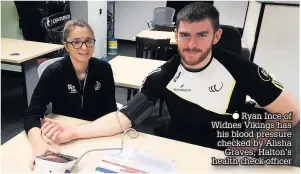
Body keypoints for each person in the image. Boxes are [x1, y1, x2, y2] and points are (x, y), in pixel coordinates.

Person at [42, 2, 299, 153]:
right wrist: (75, 132)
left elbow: (292, 113)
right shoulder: (164, 74)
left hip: (222, 149)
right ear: (176, 34)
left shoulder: (240, 69)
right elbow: (124, 117)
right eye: (185, 35)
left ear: (216, 36)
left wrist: (243, 152)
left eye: (202, 35)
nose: (192, 44)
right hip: (179, 146)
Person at [24, 19, 117, 170]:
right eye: (76, 42)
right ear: (66, 45)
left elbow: (111, 111)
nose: (84, 47)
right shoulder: (54, 73)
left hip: (97, 135)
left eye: (89, 41)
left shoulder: (104, 69)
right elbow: (32, 114)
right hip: (63, 138)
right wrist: (39, 146)